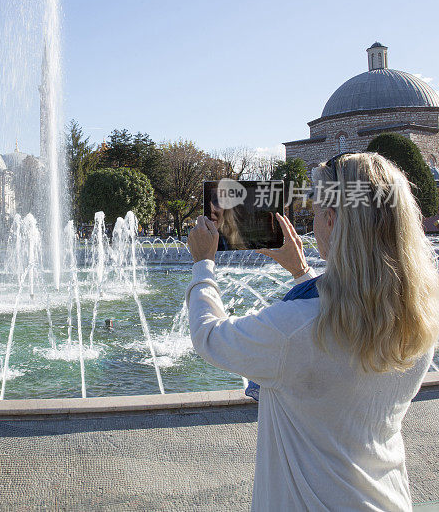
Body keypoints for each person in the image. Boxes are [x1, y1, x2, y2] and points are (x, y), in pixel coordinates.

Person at [186, 152, 439, 510]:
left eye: (318, 210)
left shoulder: (295, 329)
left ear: (333, 221)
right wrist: (302, 272)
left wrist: (203, 264)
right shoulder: (418, 318)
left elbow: (209, 337)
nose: (313, 218)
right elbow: (348, 320)